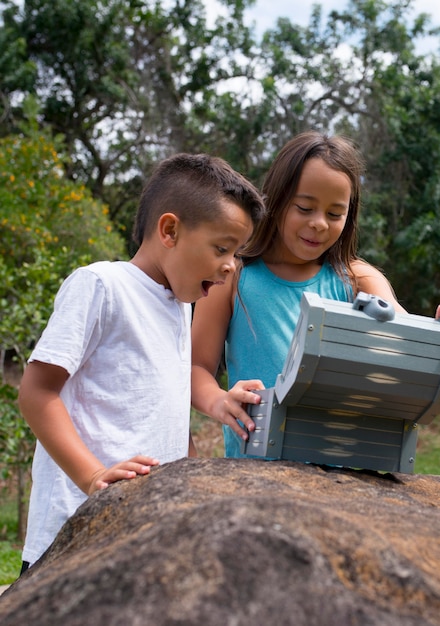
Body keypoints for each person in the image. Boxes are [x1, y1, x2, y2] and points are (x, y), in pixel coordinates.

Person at [18, 153, 266, 570]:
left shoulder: (177, 306)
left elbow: (164, 416)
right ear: (169, 230)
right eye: (222, 248)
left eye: (237, 252)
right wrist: (93, 477)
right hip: (75, 531)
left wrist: (217, 407)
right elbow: (36, 392)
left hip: (143, 534)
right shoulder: (102, 285)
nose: (230, 266)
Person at [191, 131, 440, 458]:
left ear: (349, 215)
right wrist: (218, 400)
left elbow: (404, 333)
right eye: (304, 207)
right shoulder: (233, 276)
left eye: (334, 213)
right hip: (256, 470)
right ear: (277, 199)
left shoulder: (357, 279)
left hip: (342, 470)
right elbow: (197, 365)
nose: (318, 224)